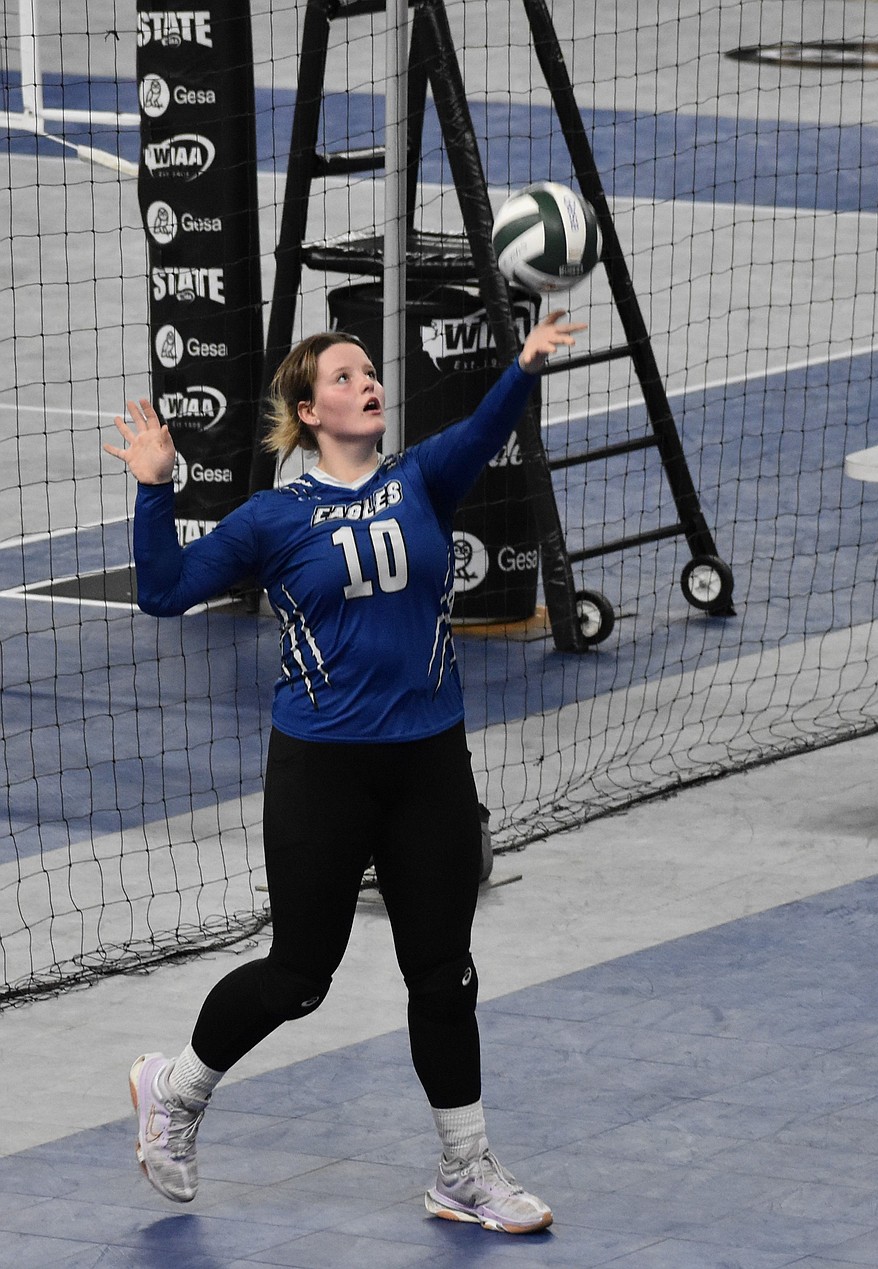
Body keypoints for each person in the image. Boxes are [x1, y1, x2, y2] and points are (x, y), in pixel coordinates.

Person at [103, 309, 585, 1235]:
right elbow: (163, 590)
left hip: (430, 760)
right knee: (299, 975)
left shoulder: (420, 479)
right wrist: (156, 486)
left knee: (443, 972)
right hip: (323, 767)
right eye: (345, 376)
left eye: (370, 372)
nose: (368, 384)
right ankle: (176, 1089)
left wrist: (523, 365)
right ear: (308, 410)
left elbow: (485, 426)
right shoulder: (273, 519)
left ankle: (464, 1169)